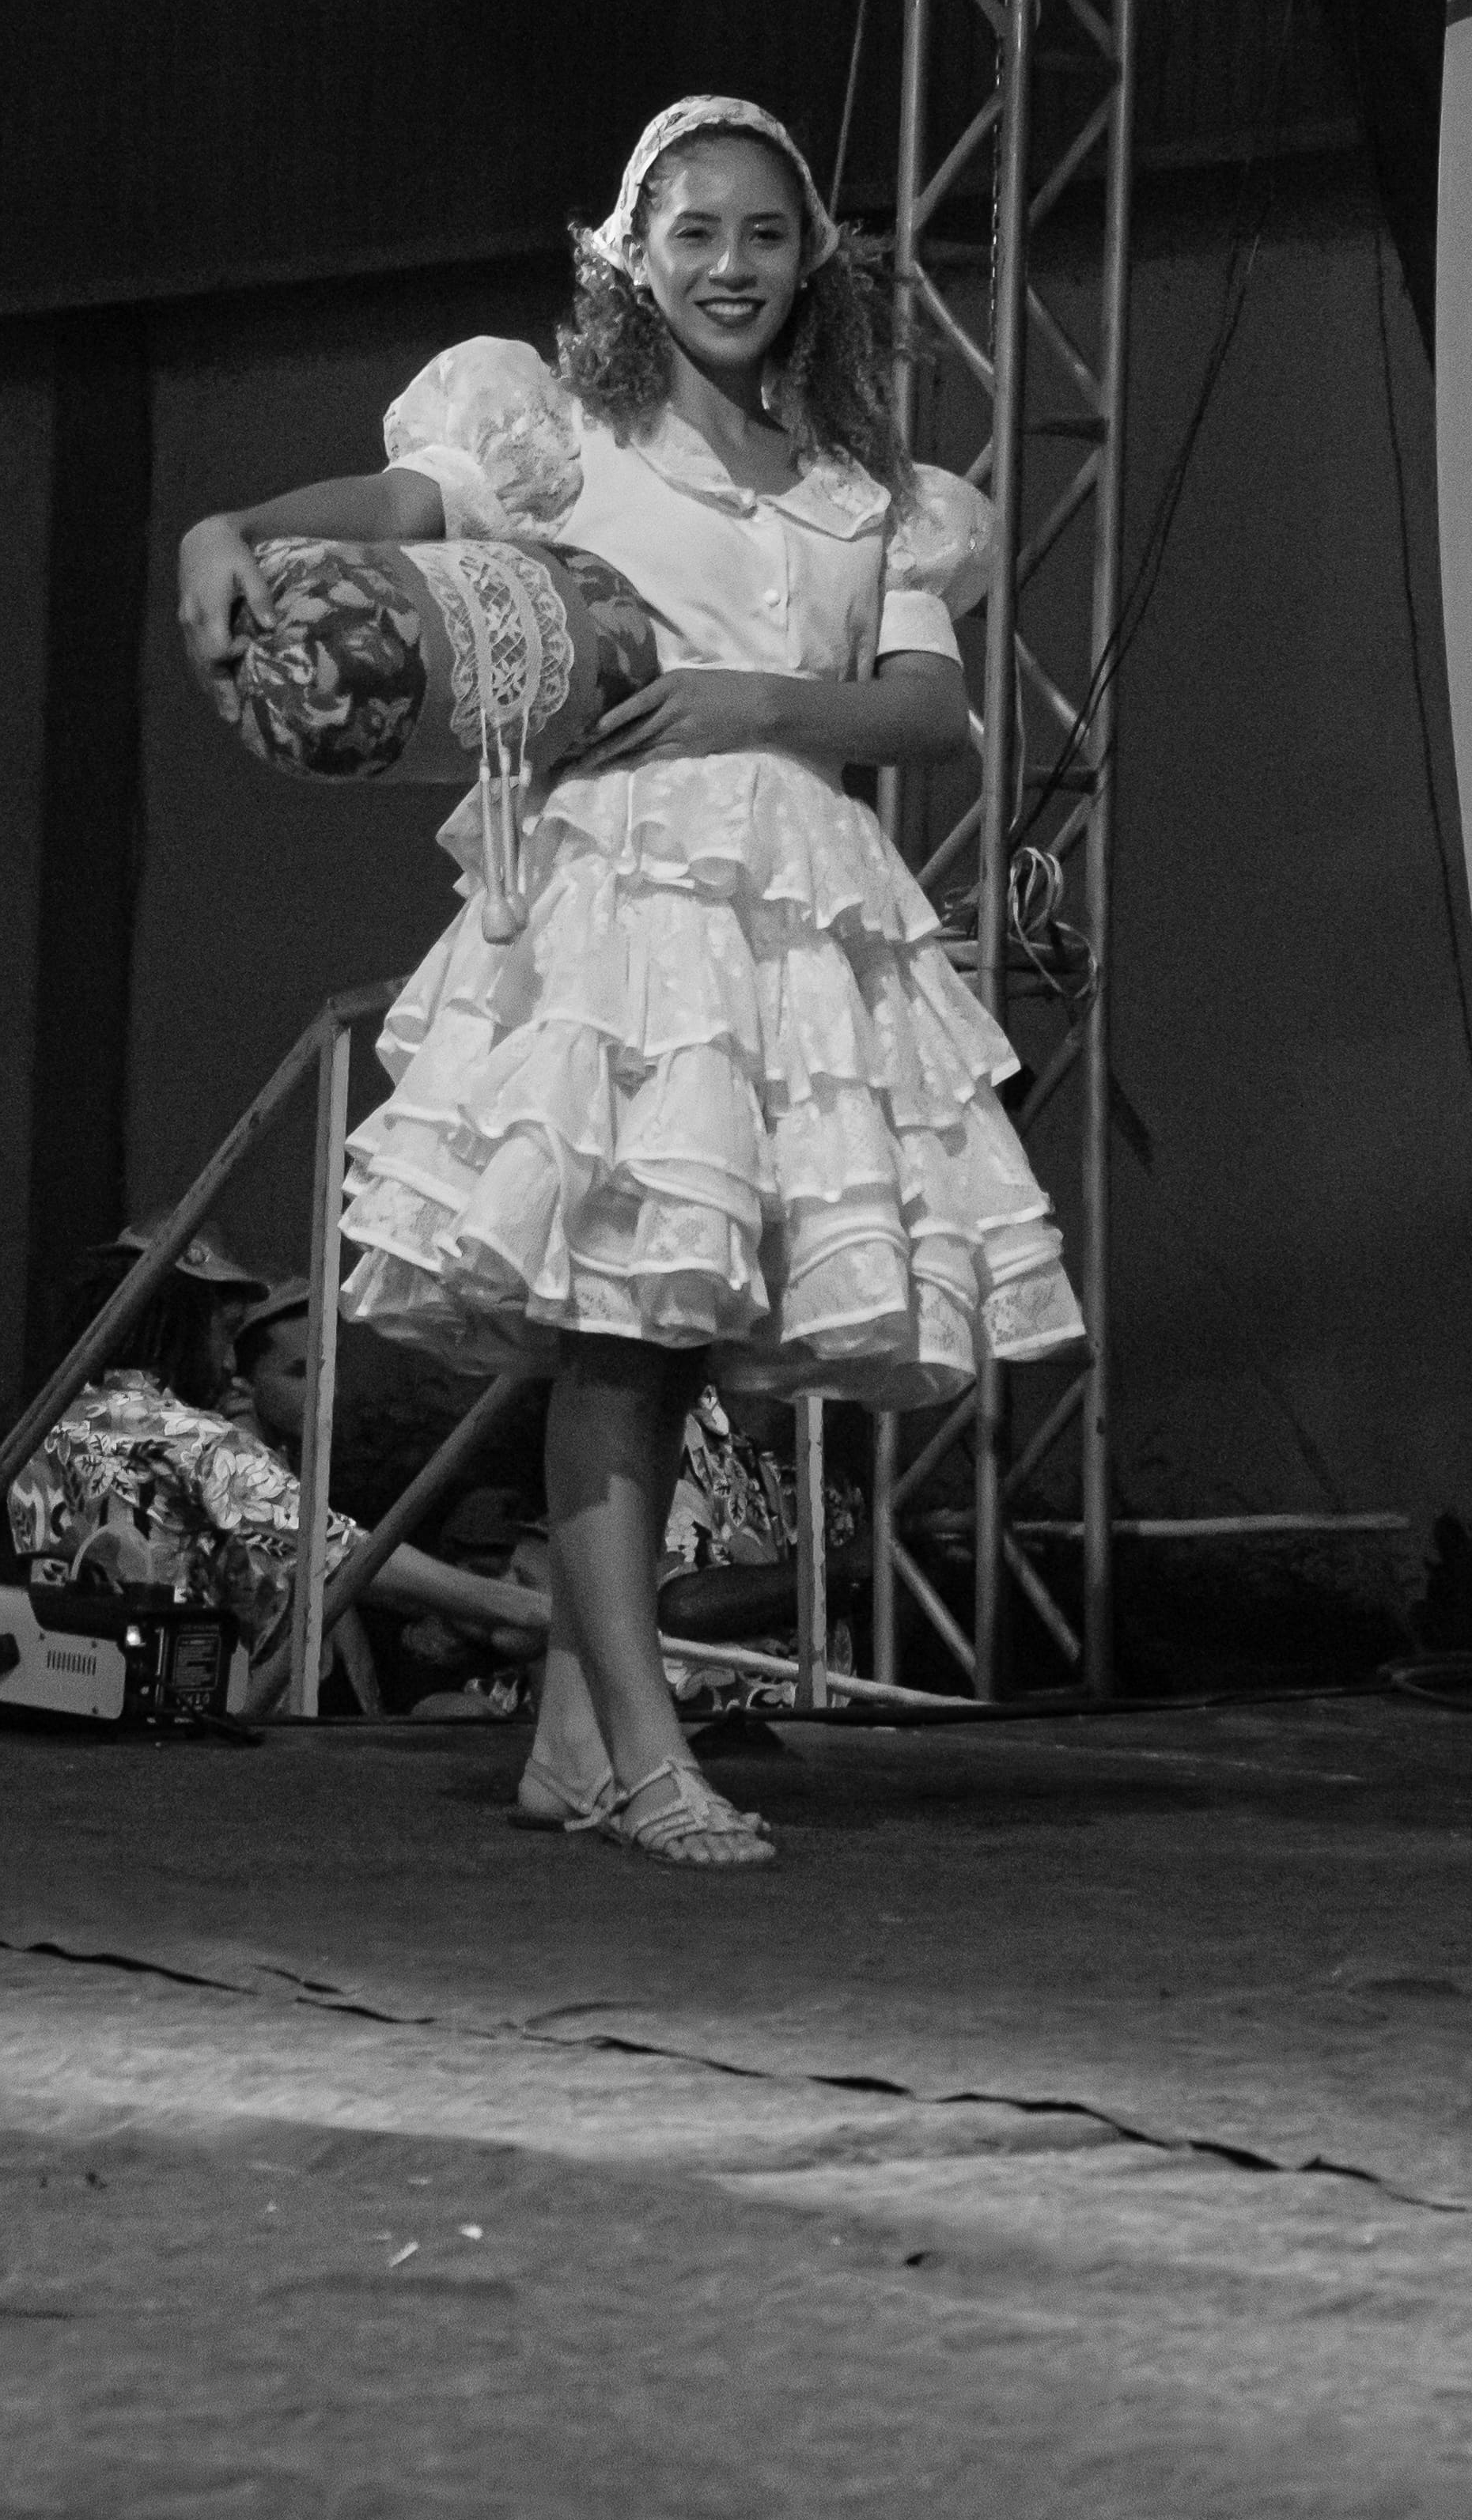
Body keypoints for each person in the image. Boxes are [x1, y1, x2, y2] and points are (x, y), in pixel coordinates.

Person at [176, 93, 1082, 1867]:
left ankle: (571, 1737)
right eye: (693, 232)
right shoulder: (564, 439)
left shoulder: (867, 494)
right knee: (617, 1331)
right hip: (626, 911)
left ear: (811, 261)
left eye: (763, 233)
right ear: (632, 256)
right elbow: (401, 506)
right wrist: (233, 523)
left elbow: (930, 714)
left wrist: (755, 699)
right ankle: (650, 1756)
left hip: (790, 914)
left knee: (679, 1344)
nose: (729, 265)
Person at [0, 1237, 551, 1708]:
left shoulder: (43, 1431)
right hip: (186, 1719)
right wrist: (527, 1609)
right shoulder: (189, 1437)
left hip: (64, 1701)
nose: (228, 1362)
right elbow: (336, 1552)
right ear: (177, 1325)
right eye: (223, 1333)